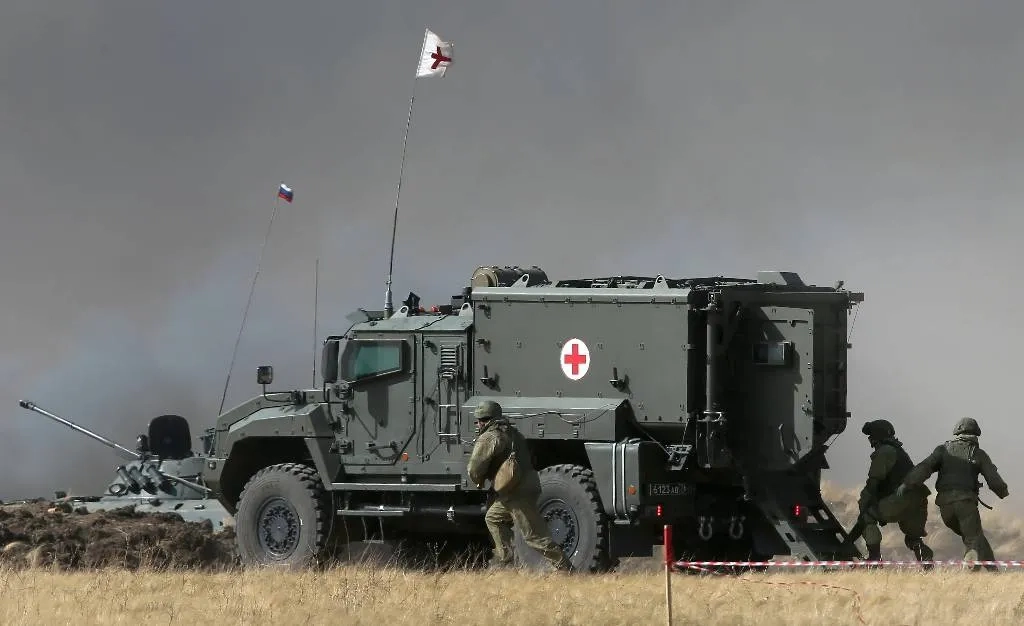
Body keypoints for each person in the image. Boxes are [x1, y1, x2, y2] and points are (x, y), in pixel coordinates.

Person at [466, 400, 574, 572]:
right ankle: (507, 560)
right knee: (493, 518)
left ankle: (565, 569)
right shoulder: (513, 433)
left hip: (516, 492)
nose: (478, 424)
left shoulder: (489, 437)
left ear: (484, 421)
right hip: (521, 487)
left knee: (534, 536)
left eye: (479, 420)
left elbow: (474, 468)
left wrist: (478, 479)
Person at [899, 417, 1009, 569]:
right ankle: (970, 573)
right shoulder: (978, 454)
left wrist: (907, 484)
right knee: (973, 540)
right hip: (965, 505)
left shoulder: (942, 450)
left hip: (945, 508)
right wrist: (1003, 492)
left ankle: (993, 571)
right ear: (976, 434)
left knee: (976, 537)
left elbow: (924, 467)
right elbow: (994, 480)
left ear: (957, 432)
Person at [855, 419, 933, 564]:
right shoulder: (899, 452)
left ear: (877, 436)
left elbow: (873, 482)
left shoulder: (885, 451)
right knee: (913, 538)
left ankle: (874, 560)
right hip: (919, 501)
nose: (870, 440)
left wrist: (863, 504)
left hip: (900, 499)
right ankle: (927, 564)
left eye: (871, 436)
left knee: (867, 518)